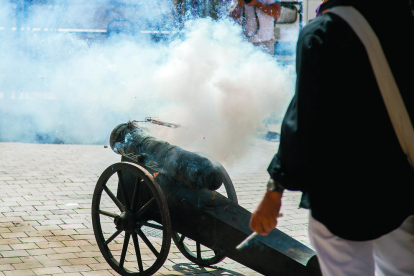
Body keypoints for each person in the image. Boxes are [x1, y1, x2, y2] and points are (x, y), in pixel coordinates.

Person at [249, 0, 414, 275]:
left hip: (341, 192)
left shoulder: (323, 32)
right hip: (401, 184)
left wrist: (274, 190)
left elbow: (303, 124)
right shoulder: (404, 19)